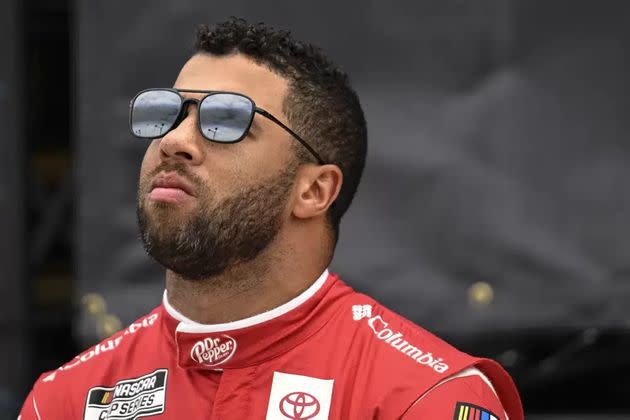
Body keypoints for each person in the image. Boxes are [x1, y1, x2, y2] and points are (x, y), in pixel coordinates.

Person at [19, 18, 523, 420]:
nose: (174, 140)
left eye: (225, 121)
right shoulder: (65, 401)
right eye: (168, 113)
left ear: (314, 190)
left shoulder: (421, 397)